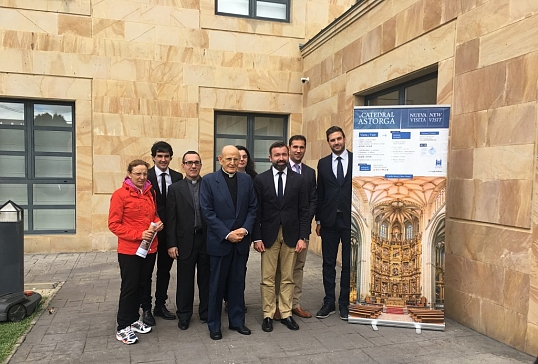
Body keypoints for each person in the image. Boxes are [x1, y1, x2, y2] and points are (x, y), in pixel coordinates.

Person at [200, 145, 257, 340]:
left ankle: (237, 321)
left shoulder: (246, 179)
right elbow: (207, 212)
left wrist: (245, 229)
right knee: (216, 285)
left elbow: (253, 207)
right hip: (220, 242)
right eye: (229, 159)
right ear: (220, 159)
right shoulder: (208, 181)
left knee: (237, 283)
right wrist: (227, 234)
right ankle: (214, 325)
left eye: (236, 158)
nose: (233, 162)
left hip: (241, 241)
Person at [253, 141, 310, 333]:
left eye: (284, 155)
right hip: (268, 235)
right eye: (277, 155)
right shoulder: (261, 180)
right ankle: (268, 314)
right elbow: (256, 212)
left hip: (292, 235)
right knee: (267, 277)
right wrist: (257, 237)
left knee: (288, 277)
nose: (281, 158)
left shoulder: (299, 180)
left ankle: (286, 313)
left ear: (288, 156)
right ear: (270, 158)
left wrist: (303, 236)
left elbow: (304, 211)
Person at [108, 159, 164, 345]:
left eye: (144, 174)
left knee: (142, 285)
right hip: (129, 250)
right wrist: (138, 234)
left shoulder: (149, 193)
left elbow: (152, 215)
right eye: (137, 174)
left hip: (149, 249)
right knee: (129, 287)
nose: (141, 177)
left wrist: (158, 222)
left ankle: (133, 320)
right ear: (129, 174)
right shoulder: (120, 195)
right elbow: (114, 225)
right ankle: (123, 326)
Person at [274, 135, 318, 320]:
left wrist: (306, 223)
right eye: (295, 147)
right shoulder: (279, 168)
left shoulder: (309, 173)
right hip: (280, 229)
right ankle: (277, 304)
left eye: (302, 147)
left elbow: (313, 200)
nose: (298, 150)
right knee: (279, 268)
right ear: (289, 148)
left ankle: (294, 304)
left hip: (301, 229)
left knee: (298, 267)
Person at [166, 151, 210, 331]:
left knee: (206, 278)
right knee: (185, 280)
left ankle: (206, 312)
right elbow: (171, 219)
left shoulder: (208, 185)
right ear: (183, 165)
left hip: (206, 239)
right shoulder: (175, 189)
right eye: (189, 162)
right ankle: (184, 315)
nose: (193, 166)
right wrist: (171, 243)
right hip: (184, 241)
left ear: (200, 165)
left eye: (196, 162)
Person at [315, 126, 353, 320]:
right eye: (332, 140)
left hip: (350, 221)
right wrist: (319, 219)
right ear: (328, 142)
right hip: (329, 221)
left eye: (339, 139)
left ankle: (344, 303)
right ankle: (329, 301)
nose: (336, 142)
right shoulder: (322, 164)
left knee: (348, 263)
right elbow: (319, 193)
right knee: (328, 263)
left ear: (344, 139)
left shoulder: (356, 160)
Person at [143, 141, 183, 325]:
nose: (163, 159)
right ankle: (146, 309)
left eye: (166, 156)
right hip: (150, 234)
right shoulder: (146, 176)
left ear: (171, 158)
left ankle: (160, 305)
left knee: (164, 271)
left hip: (169, 233)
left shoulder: (177, 176)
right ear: (153, 157)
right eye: (159, 156)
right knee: (146, 272)